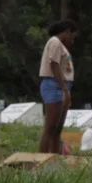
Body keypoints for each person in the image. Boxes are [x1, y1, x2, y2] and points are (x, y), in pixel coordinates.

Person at [38, 20, 77, 154]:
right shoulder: (55, 42)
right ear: (67, 32)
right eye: (72, 35)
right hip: (54, 85)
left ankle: (54, 160)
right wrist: (64, 89)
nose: (73, 39)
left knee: (57, 130)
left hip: (62, 86)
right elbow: (54, 64)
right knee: (50, 128)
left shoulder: (61, 46)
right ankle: (41, 161)